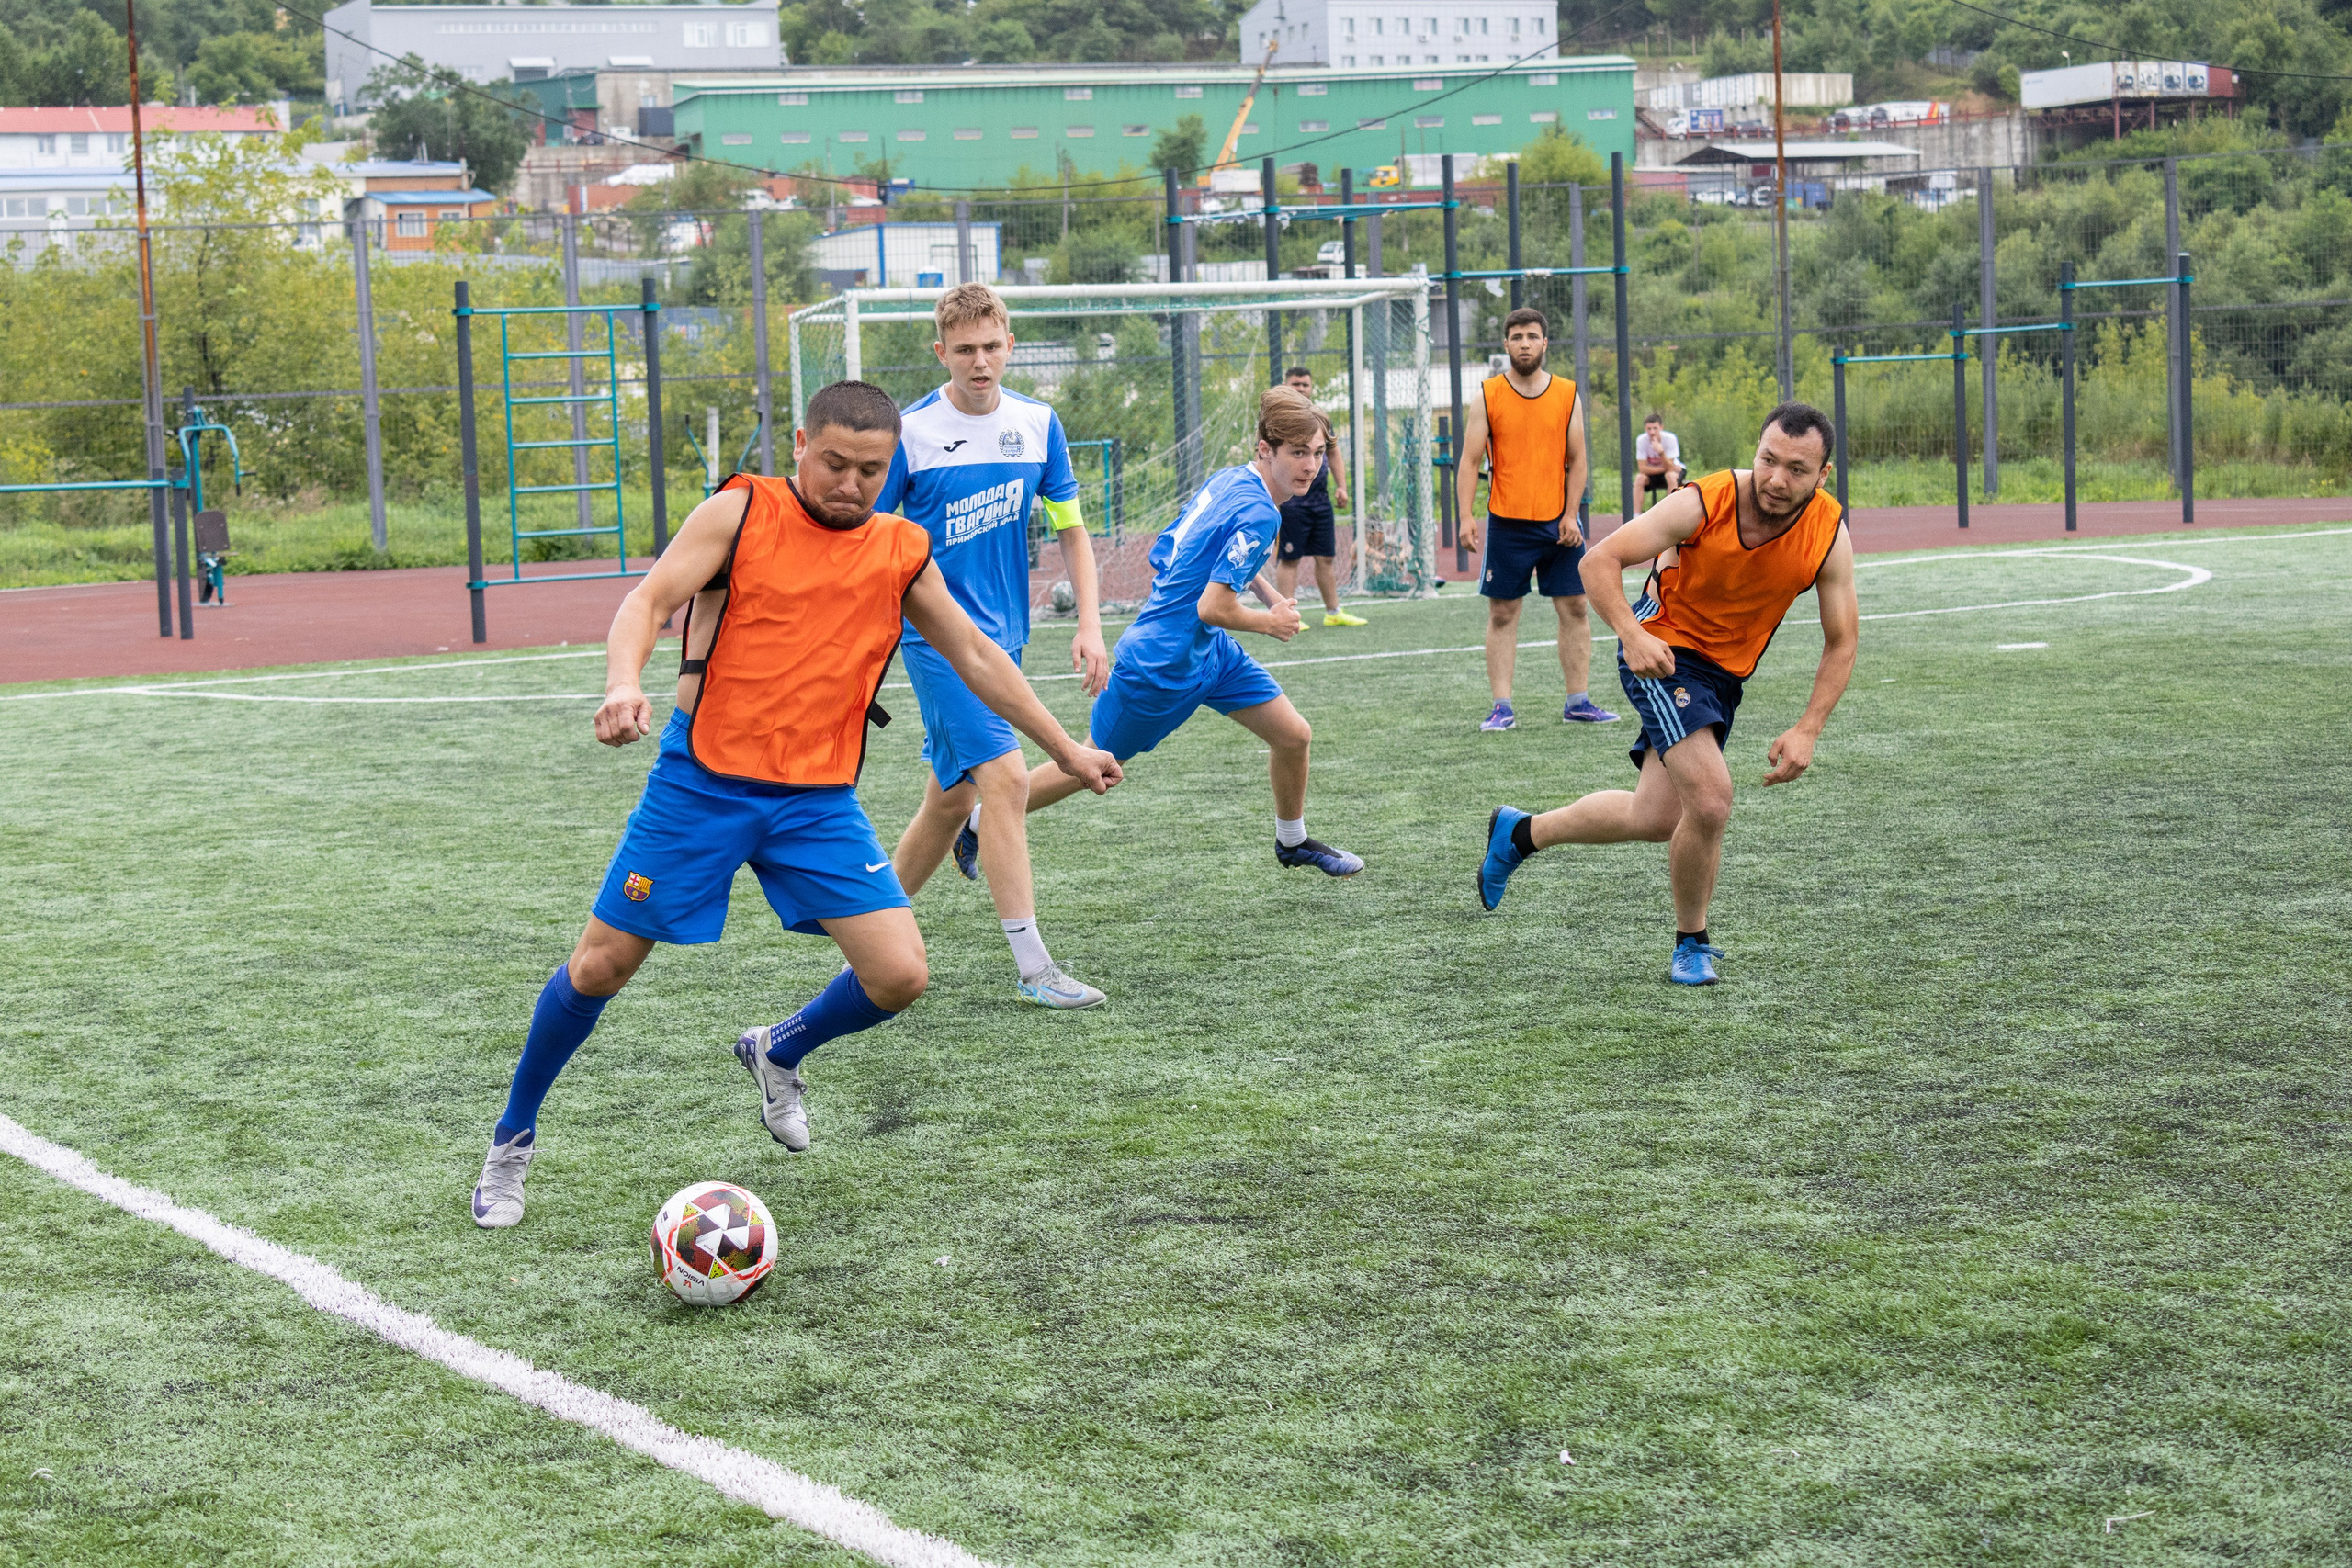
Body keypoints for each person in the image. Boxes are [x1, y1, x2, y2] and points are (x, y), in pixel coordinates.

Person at [470, 380, 1121, 1229]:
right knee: (600, 967)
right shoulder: (740, 512)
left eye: (870, 468)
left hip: (816, 797)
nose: (849, 482)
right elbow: (648, 600)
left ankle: (779, 1048)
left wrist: (1066, 748)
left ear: (892, 468)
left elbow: (975, 654)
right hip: (701, 780)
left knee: (899, 975)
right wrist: (623, 681)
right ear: (803, 446)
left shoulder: (900, 548)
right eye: (834, 462)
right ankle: (511, 1140)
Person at [1476, 403, 1860, 987]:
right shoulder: (1706, 500)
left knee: (1655, 816)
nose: (1778, 480)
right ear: (1755, 451)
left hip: (1723, 678)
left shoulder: (1828, 534)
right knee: (1710, 800)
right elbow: (1599, 559)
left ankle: (1521, 832)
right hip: (1662, 654)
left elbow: (1842, 642)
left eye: (1798, 470)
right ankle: (1692, 943)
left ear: (1823, 474)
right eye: (1768, 460)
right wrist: (1631, 635)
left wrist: (1809, 728)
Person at [875, 284, 1114, 1010]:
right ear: (940, 351)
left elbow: (1072, 528)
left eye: (992, 346)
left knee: (952, 802)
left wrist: (1091, 624)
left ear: (1010, 345)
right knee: (1006, 780)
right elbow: (871, 546)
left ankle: (867, 922)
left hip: (1007, 638)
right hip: (937, 640)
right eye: (965, 349)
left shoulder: (1039, 424)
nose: (980, 362)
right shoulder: (910, 433)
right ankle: (1036, 967)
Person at [1013, 386, 1365, 877]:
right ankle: (979, 819)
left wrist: (1265, 594)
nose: (1311, 465)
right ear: (1265, 449)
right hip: (1160, 665)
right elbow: (1213, 605)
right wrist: (1271, 621)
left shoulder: (1232, 481)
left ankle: (1293, 840)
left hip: (1210, 654)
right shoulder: (1263, 512)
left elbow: (1181, 547)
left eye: (1319, 453)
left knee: (1293, 736)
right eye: (1298, 453)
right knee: (1089, 765)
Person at [1455, 306, 1619, 733]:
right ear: (1505, 344)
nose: (1524, 343)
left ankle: (1578, 701)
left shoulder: (1567, 393)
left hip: (1559, 525)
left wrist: (1570, 515)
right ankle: (1501, 707)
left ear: (1545, 343)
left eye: (1532, 336)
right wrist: (1466, 517)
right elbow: (1470, 461)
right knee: (1503, 613)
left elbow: (1579, 459)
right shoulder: (1487, 395)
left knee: (1577, 606)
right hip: (1507, 523)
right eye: (1516, 336)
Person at [1272, 365, 1366, 628]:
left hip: (1320, 501)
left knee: (1326, 557)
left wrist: (1342, 486)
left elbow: (1333, 452)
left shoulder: (1319, 418)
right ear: (1286, 386)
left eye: (1305, 384)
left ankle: (1333, 612)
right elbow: (1266, 457)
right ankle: (1285, 615)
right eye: (1295, 384)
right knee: (1289, 558)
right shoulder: (1279, 421)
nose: (1301, 389)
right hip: (1291, 501)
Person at [1634, 413, 1685, 511]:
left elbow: (1670, 470)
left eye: (1655, 428)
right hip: (1657, 472)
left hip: (1671, 473)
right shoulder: (1641, 440)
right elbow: (1642, 469)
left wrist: (1661, 452)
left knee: (1670, 476)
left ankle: (1669, 513)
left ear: (1661, 427)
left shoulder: (1670, 439)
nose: (1652, 432)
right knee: (1639, 478)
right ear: (1645, 429)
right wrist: (1666, 467)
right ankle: (1635, 515)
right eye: (1649, 429)